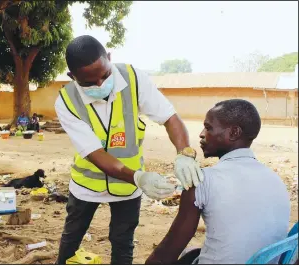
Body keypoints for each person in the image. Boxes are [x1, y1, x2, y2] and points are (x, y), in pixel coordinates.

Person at [54, 35, 204, 264]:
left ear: (110, 59)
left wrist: (184, 153)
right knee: (71, 239)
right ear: (72, 77)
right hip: (87, 185)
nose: (100, 85)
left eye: (105, 75)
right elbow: (95, 153)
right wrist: (139, 177)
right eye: (89, 83)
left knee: (123, 242)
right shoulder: (66, 101)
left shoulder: (133, 79)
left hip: (128, 186)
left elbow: (169, 117)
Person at [145, 99, 291, 264]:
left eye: (208, 128)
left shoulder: (201, 181)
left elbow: (167, 252)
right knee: (193, 253)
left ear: (233, 133)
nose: (201, 134)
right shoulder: (275, 180)